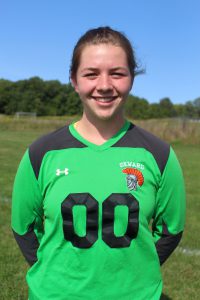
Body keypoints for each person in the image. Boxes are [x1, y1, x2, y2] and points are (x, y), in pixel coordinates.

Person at [11, 26, 186, 300]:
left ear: (131, 79)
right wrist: (56, 275)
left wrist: (134, 275)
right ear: (74, 80)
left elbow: (171, 230)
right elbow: (23, 228)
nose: (104, 85)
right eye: (91, 74)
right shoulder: (41, 153)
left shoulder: (159, 154)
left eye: (117, 73)